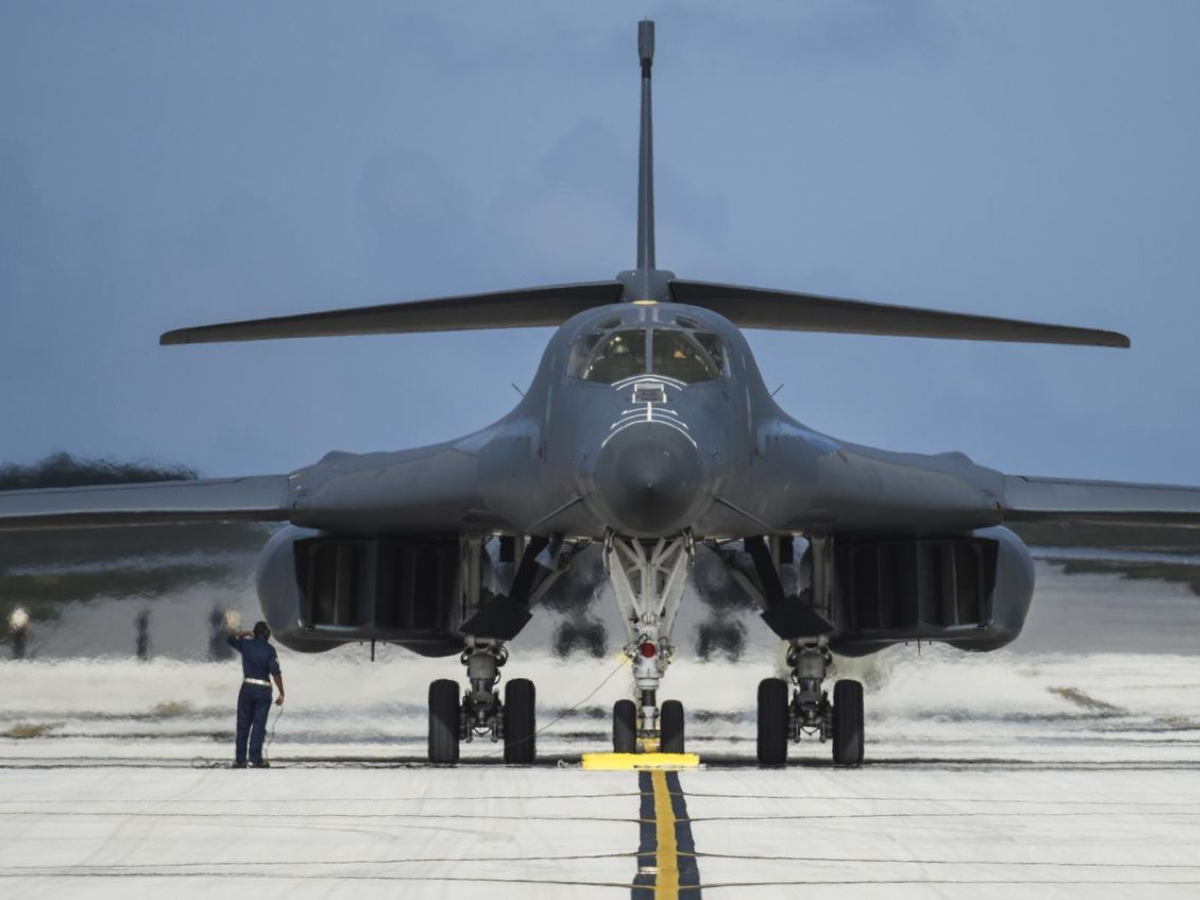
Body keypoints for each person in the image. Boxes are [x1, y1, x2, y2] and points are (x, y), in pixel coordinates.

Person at [227, 621, 285, 768]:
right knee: (258, 726)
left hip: (247, 688)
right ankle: (255, 760)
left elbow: (229, 638)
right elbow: (275, 672)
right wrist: (282, 692)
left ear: (254, 633)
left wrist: (244, 633)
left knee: (243, 725)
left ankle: (240, 761)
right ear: (266, 634)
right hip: (263, 690)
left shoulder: (246, 644)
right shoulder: (270, 650)